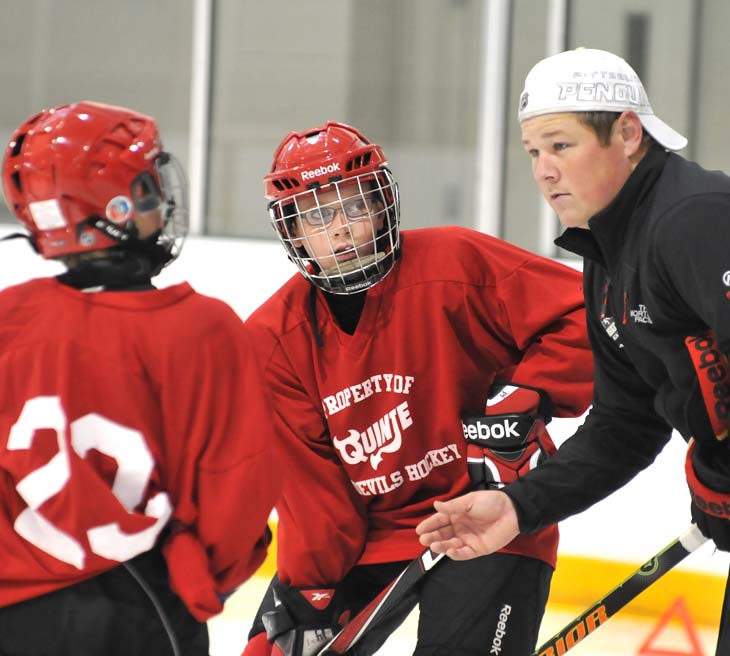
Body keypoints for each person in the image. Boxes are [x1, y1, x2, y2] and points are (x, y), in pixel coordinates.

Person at [416, 47, 730, 654]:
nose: (544, 170)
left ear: (628, 133)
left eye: (561, 146)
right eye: (534, 152)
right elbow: (626, 424)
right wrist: (518, 506)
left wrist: (720, 472)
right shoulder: (610, 255)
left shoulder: (693, 219)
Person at [241, 120, 594, 656]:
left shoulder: (456, 262)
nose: (339, 228)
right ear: (292, 230)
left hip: (491, 511)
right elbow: (313, 496)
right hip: (374, 535)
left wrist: (527, 398)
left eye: (356, 205)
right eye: (317, 215)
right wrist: (309, 589)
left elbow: (588, 317)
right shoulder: (272, 341)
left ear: (383, 204)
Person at [0, 101, 280, 655]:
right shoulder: (203, 329)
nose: (161, 202)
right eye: (147, 187)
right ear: (114, 208)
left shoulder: (9, 318)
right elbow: (237, 499)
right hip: (140, 610)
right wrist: (201, 580)